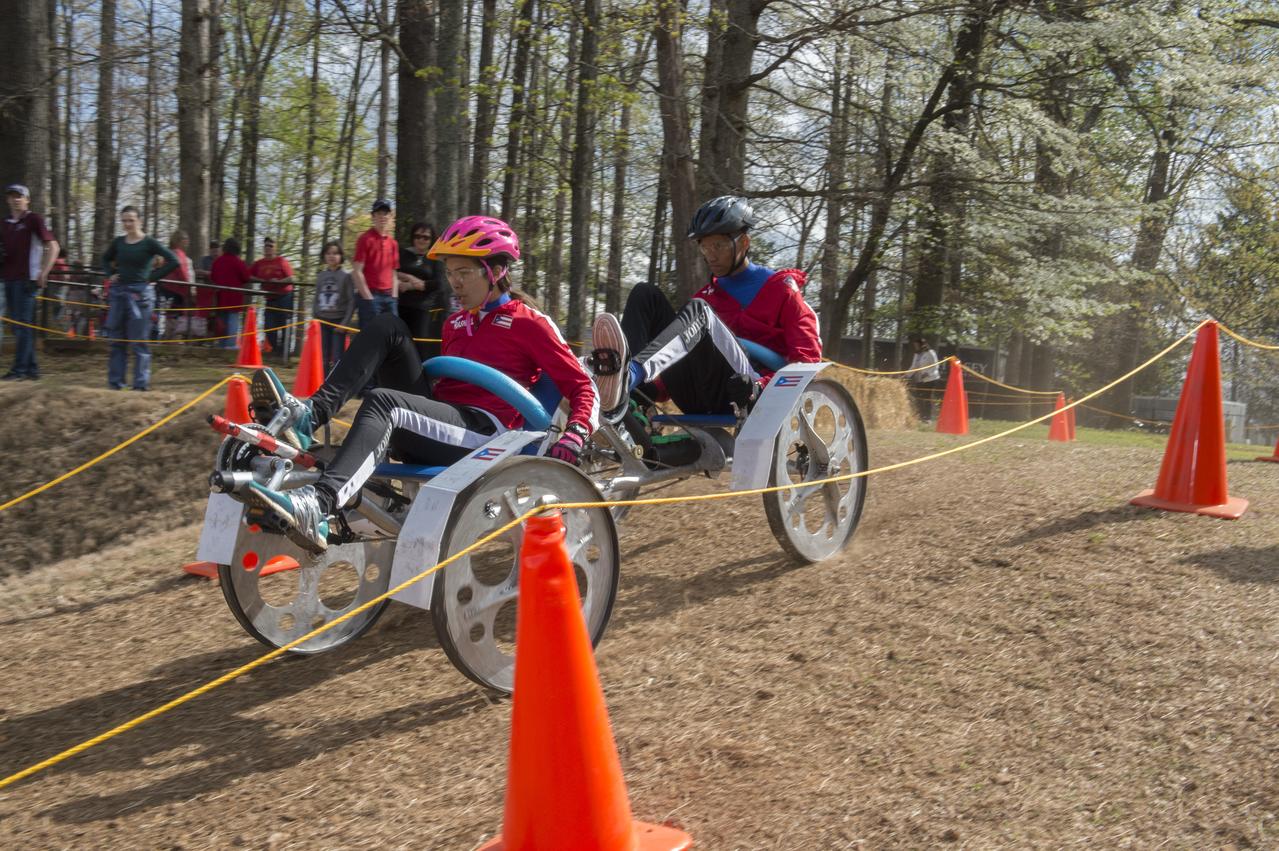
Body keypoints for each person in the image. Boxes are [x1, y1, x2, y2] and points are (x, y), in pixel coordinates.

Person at [236, 215, 598, 554]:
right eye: (450, 272)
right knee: (387, 327)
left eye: (465, 272)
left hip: (488, 435)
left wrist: (576, 432)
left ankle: (319, 503)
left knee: (384, 402)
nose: (454, 282)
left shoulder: (529, 322)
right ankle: (309, 415)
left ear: (497, 270)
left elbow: (583, 386)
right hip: (443, 424)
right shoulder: (455, 323)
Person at [587, 195, 820, 463]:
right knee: (645, 294)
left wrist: (761, 385)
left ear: (744, 243)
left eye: (718, 245)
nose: (710, 255)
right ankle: (631, 399)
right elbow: (679, 358)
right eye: (704, 247)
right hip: (697, 393)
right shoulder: (707, 296)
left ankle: (626, 380)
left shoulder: (781, 290)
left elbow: (807, 361)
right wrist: (655, 389)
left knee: (698, 311)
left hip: (745, 392)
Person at [101, 205, 178, 390]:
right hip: (119, 293)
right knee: (117, 340)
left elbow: (173, 260)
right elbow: (105, 258)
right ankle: (116, 383)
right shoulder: (118, 242)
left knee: (139, 341)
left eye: (131, 220)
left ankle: (140, 385)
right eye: (124, 220)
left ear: (139, 221)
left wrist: (152, 278)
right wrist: (110, 273)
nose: (127, 224)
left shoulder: (149, 243)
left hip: (141, 295)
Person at [1, 183, 59, 381]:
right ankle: (32, 369)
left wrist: (44, 271)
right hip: (8, 279)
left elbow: (53, 246)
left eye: (20, 196)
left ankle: (19, 370)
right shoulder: (5, 223)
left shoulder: (33, 220)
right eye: (12, 196)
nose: (16, 199)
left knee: (23, 325)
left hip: (27, 280)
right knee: (20, 326)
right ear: (8, 199)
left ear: (27, 199)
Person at [396, 222, 449, 359]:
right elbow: (393, 272)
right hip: (400, 306)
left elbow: (438, 283)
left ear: (431, 240)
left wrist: (411, 285)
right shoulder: (403, 253)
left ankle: (420, 376)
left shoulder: (434, 258)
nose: (421, 240)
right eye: (418, 236)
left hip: (422, 309)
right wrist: (409, 277)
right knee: (398, 343)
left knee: (419, 344)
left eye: (426, 237)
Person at [352, 199, 399, 326]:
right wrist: (368, 298)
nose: (383, 216)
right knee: (370, 339)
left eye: (386, 213)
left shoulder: (393, 243)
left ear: (390, 217)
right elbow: (356, 271)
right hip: (371, 297)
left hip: (390, 298)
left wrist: (394, 297)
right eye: (379, 213)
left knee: (391, 338)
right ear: (373, 216)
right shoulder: (365, 239)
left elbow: (394, 272)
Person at [312, 240, 355, 371]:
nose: (332, 256)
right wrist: (315, 317)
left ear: (341, 256)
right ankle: (323, 384)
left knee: (337, 357)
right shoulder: (321, 276)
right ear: (324, 256)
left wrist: (345, 323)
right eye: (328, 253)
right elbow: (316, 298)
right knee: (323, 356)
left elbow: (351, 301)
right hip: (322, 321)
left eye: (335, 253)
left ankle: (335, 387)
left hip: (338, 322)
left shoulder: (346, 276)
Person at [248, 236, 296, 355]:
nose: (268, 248)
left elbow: (291, 278)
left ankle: (284, 353)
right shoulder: (259, 263)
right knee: (269, 326)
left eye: (271, 246)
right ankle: (276, 350)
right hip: (269, 298)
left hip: (285, 296)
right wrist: (259, 279)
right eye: (266, 246)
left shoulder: (281, 261)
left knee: (284, 325)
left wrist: (279, 282)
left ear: (275, 248)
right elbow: (248, 275)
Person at [209, 237, 251, 348]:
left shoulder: (217, 261)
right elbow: (246, 277)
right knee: (233, 321)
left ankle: (221, 345)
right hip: (234, 298)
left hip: (221, 297)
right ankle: (231, 346)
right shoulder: (238, 262)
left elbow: (213, 276)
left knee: (222, 323)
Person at [157, 230, 195, 339]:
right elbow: (182, 271)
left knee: (168, 316)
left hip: (165, 289)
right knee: (175, 317)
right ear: (179, 241)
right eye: (185, 239)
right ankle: (172, 340)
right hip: (177, 290)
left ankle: (166, 338)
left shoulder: (168, 253)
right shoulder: (179, 253)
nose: (187, 242)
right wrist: (189, 288)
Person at [907, 335, 942, 422]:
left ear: (922, 345)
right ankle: (921, 416)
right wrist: (906, 375)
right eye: (914, 345)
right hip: (920, 379)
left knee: (927, 397)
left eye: (917, 345)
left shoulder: (931, 352)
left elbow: (936, 366)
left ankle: (928, 418)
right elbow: (914, 366)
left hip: (930, 379)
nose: (915, 347)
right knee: (919, 398)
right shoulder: (916, 354)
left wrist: (927, 373)